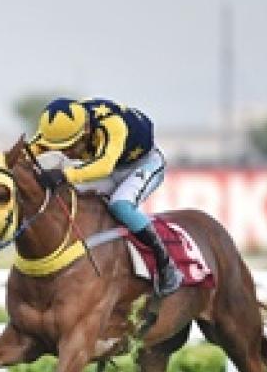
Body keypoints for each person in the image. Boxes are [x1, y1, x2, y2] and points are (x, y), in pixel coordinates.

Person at [29, 97, 182, 296]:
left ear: (85, 129)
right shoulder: (56, 129)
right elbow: (30, 151)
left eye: (70, 146)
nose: (66, 152)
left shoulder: (113, 125)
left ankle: (167, 266)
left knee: (121, 205)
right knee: (69, 195)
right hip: (109, 165)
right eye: (60, 147)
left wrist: (64, 175)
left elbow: (104, 166)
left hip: (143, 164)